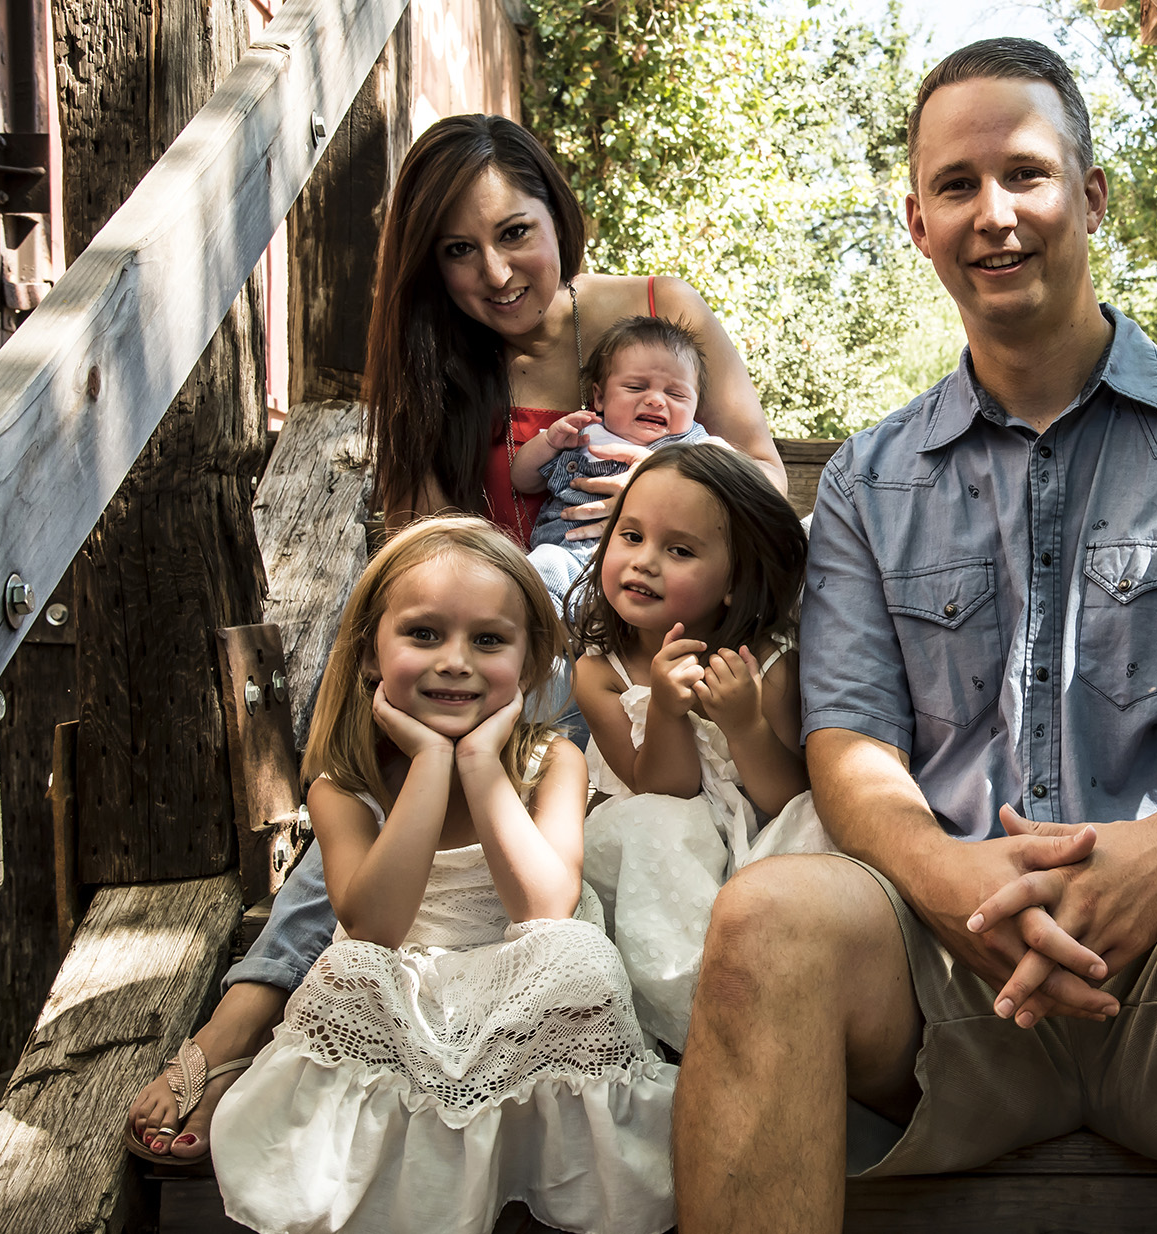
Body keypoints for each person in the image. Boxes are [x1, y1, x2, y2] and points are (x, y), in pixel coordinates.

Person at [673, 38, 1157, 1232]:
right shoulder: (869, 484)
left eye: (1026, 174)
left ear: (1091, 197)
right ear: (917, 223)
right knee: (764, 915)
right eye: (957, 185)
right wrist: (947, 878)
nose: (993, 213)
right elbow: (847, 747)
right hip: (953, 970)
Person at [124, 112, 785, 1167]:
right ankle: (261, 1006)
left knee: (536, 686)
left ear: (557, 213)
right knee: (422, 716)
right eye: (459, 251)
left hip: (634, 638)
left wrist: (668, 486)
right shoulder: (437, 364)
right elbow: (422, 559)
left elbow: (765, 479)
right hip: (506, 645)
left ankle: (257, 1008)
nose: (497, 273)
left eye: (515, 232)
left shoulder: (660, 315)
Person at [211, 517, 676, 1234]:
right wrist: (430, 762)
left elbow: (545, 906)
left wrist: (481, 764)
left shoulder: (552, 761)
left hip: (527, 994)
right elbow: (374, 925)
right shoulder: (344, 787)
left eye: (488, 640)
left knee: (580, 958)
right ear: (370, 653)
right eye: (424, 634)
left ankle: (539, 1163)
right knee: (346, 972)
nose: (455, 661)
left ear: (529, 664)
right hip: (408, 989)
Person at [569, 443, 834, 1051]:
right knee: (662, 824)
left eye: (680, 550)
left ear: (734, 582)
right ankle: (696, 1016)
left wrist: (746, 727)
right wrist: (665, 709)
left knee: (817, 826)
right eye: (631, 536)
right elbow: (663, 788)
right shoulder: (600, 671)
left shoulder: (766, 665)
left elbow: (787, 797)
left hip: (758, 840)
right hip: (652, 851)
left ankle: (770, 994)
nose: (644, 561)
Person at [512, 315, 711, 577]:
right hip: (567, 555)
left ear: (695, 407)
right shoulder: (584, 433)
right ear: (600, 397)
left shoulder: (697, 446)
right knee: (542, 566)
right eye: (636, 387)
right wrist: (549, 442)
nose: (655, 400)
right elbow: (523, 481)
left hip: (648, 566)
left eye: (675, 394)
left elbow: (735, 485)